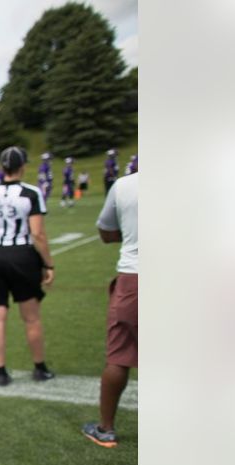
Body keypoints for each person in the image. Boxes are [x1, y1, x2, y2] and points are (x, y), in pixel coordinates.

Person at [0, 146, 57, 386]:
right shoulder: (31, 193)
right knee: (31, 318)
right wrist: (48, 264)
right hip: (22, 256)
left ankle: (1, 372)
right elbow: (38, 234)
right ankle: (39, 368)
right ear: (22, 167)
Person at [83, 171, 138, 448]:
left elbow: (105, 232)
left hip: (134, 277)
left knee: (119, 355)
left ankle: (106, 429)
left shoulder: (124, 185)